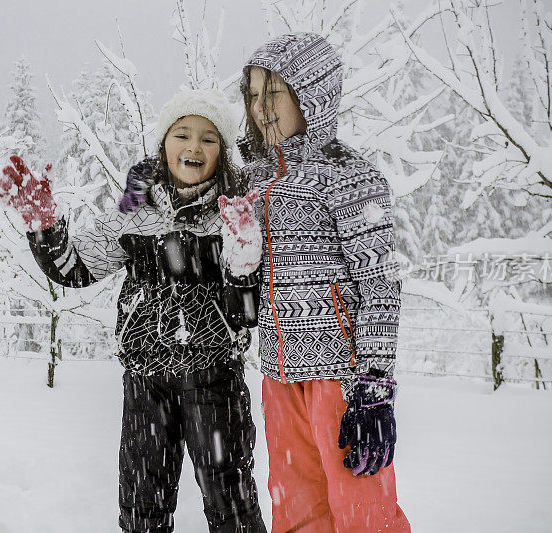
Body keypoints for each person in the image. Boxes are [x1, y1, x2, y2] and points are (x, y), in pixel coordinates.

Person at [0, 88, 267, 533]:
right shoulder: (135, 214)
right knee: (143, 506)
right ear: (164, 146)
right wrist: (45, 227)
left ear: (223, 152)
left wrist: (243, 260)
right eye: (182, 134)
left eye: (208, 139)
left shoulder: (234, 216)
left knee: (230, 501)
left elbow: (247, 314)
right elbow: (77, 269)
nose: (194, 147)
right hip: (146, 382)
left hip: (215, 381)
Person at [237, 32, 411, 532]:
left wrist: (373, 386)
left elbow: (380, 285)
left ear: (311, 94)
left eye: (275, 92)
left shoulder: (349, 176)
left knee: (362, 513)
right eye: (253, 94)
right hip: (278, 374)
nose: (261, 109)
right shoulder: (251, 181)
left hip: (341, 375)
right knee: (295, 513)